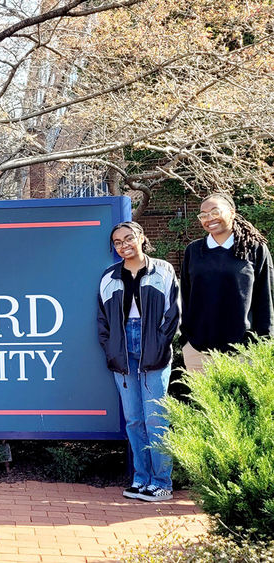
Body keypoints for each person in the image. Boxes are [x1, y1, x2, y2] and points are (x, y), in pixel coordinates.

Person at [97, 221, 180, 502]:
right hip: (123, 350)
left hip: (152, 344)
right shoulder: (109, 276)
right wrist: (111, 349)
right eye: (118, 242)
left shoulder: (163, 270)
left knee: (156, 418)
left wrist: (160, 344)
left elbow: (173, 315)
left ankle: (162, 482)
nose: (123, 245)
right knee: (133, 419)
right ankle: (141, 478)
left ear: (141, 238)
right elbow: (103, 321)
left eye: (128, 238)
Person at [180, 192, 274, 371]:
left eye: (215, 212)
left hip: (244, 352)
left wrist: (265, 345)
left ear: (232, 212)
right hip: (198, 353)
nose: (209, 219)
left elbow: (266, 300)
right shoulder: (193, 251)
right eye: (203, 215)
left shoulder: (254, 249)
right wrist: (186, 340)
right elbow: (186, 297)